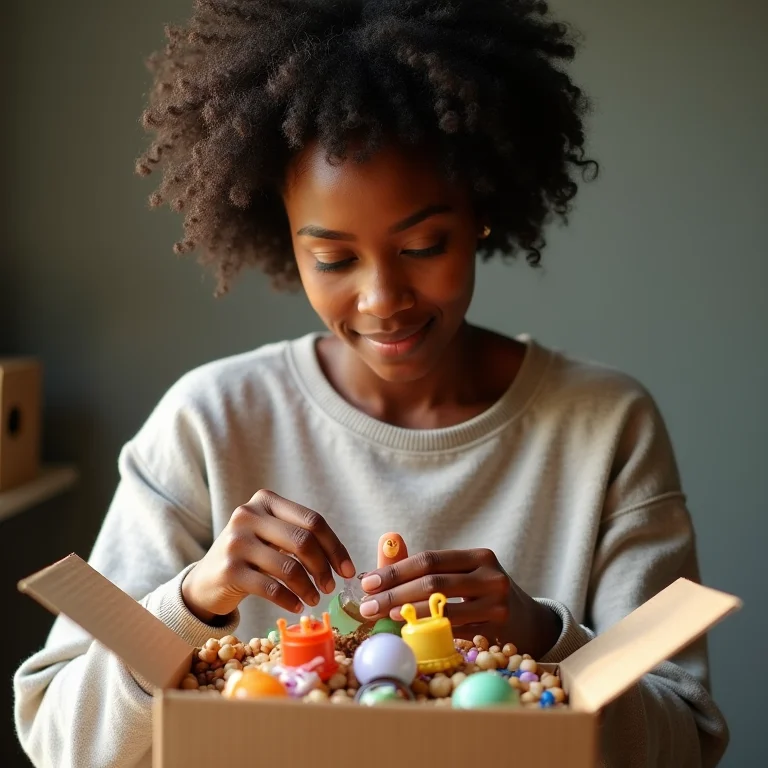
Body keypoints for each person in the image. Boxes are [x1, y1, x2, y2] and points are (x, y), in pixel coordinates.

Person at [14, 1, 728, 766]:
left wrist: (544, 635)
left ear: (482, 213)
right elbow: (62, 744)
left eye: (424, 244)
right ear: (283, 238)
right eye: (334, 259)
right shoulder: (209, 422)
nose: (384, 299)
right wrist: (191, 604)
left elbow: (683, 740)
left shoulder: (606, 427)